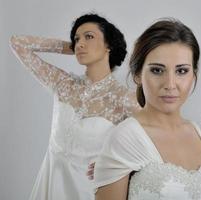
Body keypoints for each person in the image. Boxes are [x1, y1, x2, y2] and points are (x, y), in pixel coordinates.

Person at [10, 13, 139, 200]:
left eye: (89, 37)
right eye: (76, 39)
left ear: (109, 45)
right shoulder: (63, 84)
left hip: (90, 192)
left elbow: (154, 142)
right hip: (48, 187)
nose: (80, 43)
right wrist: (69, 47)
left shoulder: (125, 98)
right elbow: (17, 43)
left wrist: (123, 166)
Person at [93, 18, 201, 200]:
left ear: (193, 75)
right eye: (157, 70)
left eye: (181, 71)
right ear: (138, 74)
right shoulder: (125, 138)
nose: (170, 84)